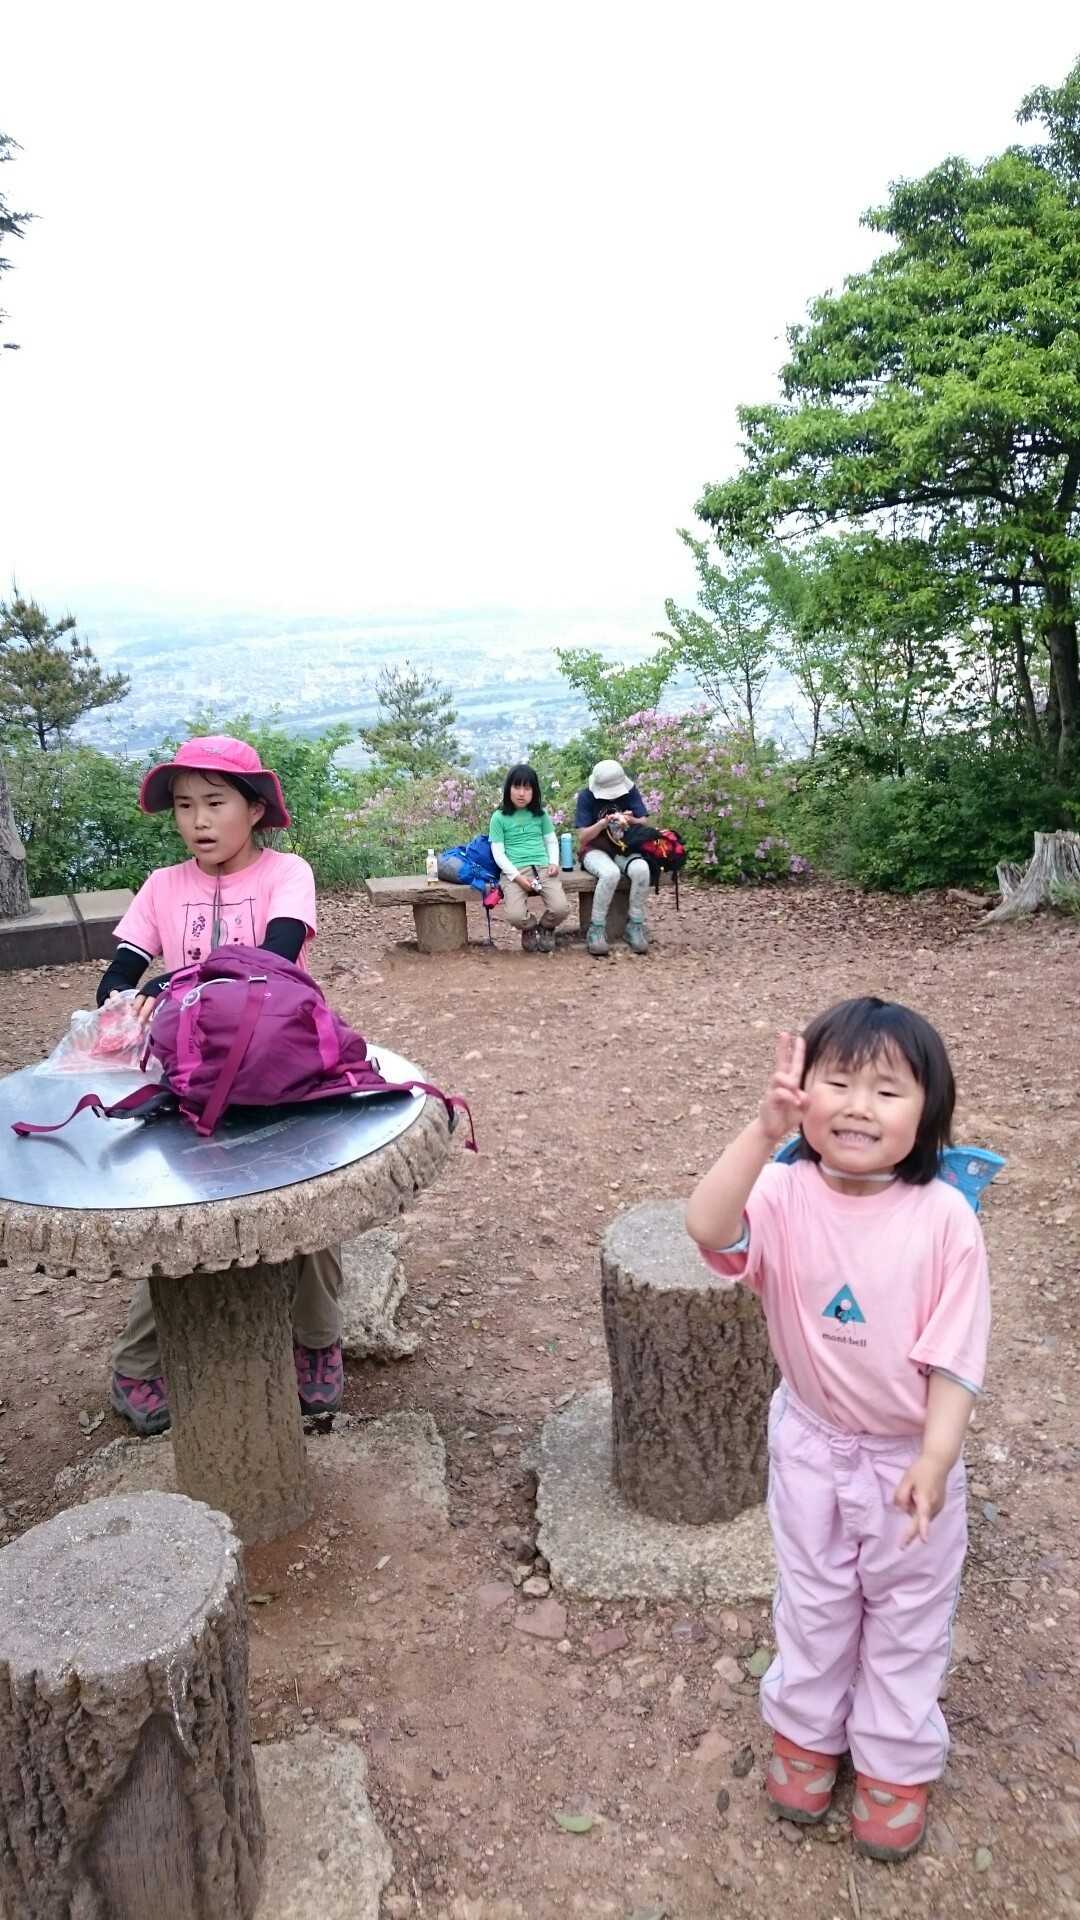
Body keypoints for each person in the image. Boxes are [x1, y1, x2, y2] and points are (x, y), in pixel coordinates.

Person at [684, 997, 990, 1862]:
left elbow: (956, 1358)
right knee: (815, 1597)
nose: (859, 1106)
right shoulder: (782, 1191)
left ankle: (894, 1757)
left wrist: (936, 1458)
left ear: (927, 1111)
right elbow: (707, 1227)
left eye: (888, 1090)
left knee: (907, 1613)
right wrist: (762, 1132)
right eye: (839, 1083)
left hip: (906, 1459)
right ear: (803, 1093)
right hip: (811, 1443)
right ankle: (808, 1729)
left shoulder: (945, 1219)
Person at [96, 735, 346, 1435]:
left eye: (215, 802)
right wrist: (121, 999)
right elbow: (118, 974)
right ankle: (138, 1364)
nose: (199, 820)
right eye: (184, 806)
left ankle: (316, 1342)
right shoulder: (162, 887)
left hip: (278, 1064)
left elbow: (275, 959)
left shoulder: (286, 874)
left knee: (306, 1195)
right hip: (189, 1075)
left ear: (255, 808)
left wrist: (168, 987)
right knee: (176, 1211)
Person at [488, 763, 570, 953]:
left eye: (527, 788)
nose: (521, 793)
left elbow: (551, 841)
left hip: (542, 867)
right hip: (514, 870)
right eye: (517, 787)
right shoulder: (499, 817)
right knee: (515, 916)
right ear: (508, 789)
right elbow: (498, 853)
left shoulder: (540, 814)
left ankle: (546, 926)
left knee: (561, 908)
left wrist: (553, 862)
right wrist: (517, 877)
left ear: (534, 791)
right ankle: (529, 927)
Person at [574, 758, 651, 957]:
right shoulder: (586, 796)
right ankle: (596, 928)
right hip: (595, 849)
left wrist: (629, 820)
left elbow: (644, 822)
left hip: (624, 847)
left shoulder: (630, 791)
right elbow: (583, 837)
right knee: (610, 874)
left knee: (642, 870)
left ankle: (635, 924)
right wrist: (602, 824)